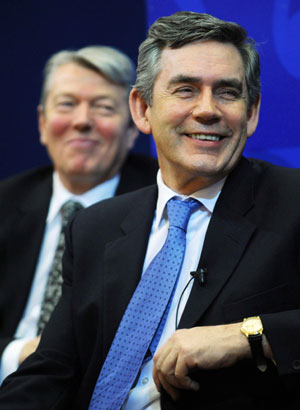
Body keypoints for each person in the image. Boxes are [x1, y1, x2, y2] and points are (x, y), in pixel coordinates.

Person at [0, 11, 300, 410]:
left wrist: (250, 335)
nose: (208, 109)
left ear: (252, 113)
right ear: (142, 110)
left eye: (227, 92)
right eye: (186, 90)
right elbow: (52, 371)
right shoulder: (95, 227)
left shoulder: (292, 202)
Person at [0, 45, 157, 382]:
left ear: (133, 128)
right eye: (67, 104)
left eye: (102, 108)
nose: (82, 121)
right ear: (42, 123)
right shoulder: (5, 203)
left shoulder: (164, 206)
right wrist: (18, 354)